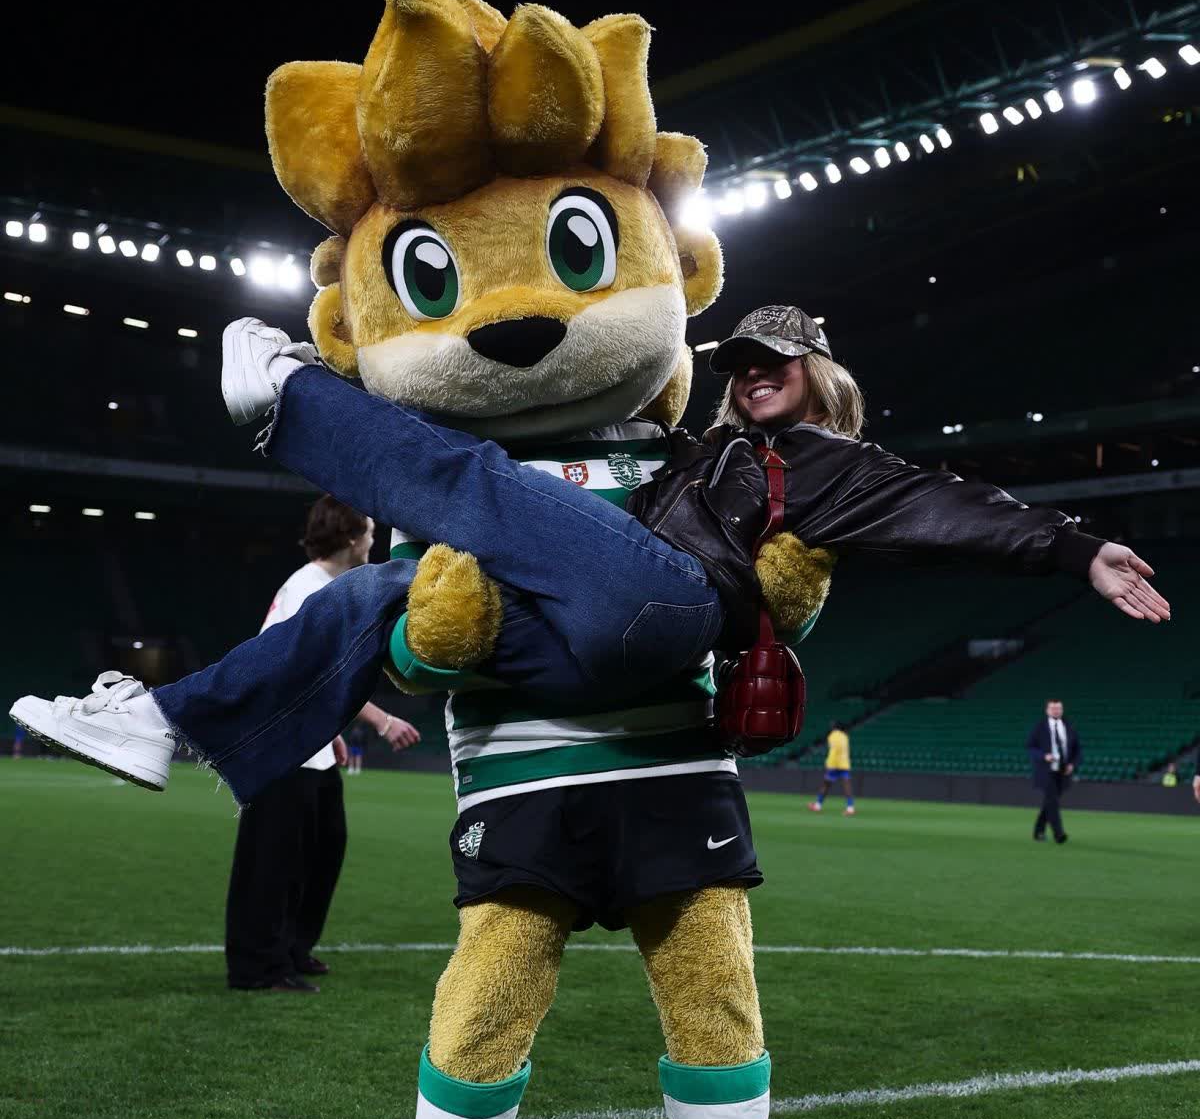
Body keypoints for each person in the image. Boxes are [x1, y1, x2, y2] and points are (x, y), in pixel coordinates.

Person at [10, 311, 1171, 807]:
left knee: (477, 488)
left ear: (822, 378)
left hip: (667, 612)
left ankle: (291, 402)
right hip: (587, 644)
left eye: (779, 360)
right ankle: (165, 722)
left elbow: (938, 504)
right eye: (742, 361)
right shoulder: (706, 452)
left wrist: (1076, 551)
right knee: (378, 589)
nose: (755, 373)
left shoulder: (821, 460)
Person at [225, 497, 420, 994]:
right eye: (369, 532)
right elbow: (306, 673)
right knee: (271, 860)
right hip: (278, 746)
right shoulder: (308, 589)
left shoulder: (324, 587)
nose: (373, 542)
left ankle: (291, 950)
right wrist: (381, 721)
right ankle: (256, 967)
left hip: (305, 744)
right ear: (352, 539)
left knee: (323, 847)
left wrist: (328, 732)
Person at [1026, 698, 1080, 845]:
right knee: (1053, 802)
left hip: (1062, 771)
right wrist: (1044, 756)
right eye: (1053, 708)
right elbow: (1030, 747)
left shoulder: (1068, 726)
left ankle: (1039, 831)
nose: (1056, 711)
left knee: (1049, 802)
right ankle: (1059, 833)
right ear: (1047, 710)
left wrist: (1072, 764)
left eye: (1059, 708)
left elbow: (1077, 748)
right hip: (1046, 771)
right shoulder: (1040, 727)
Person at [809, 721, 855, 816]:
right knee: (847, 785)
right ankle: (850, 808)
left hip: (834, 765)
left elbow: (834, 750)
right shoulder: (845, 736)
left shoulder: (832, 736)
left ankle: (818, 805)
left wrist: (829, 763)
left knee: (826, 785)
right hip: (844, 764)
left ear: (834, 727)